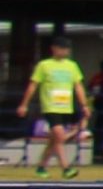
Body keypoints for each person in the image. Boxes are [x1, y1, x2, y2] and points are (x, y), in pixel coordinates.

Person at [21, 36, 86, 177]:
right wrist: (24, 104)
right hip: (50, 106)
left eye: (66, 49)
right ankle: (66, 168)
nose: (64, 51)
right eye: (61, 48)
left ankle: (41, 167)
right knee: (59, 135)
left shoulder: (72, 66)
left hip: (65, 107)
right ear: (54, 48)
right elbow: (33, 85)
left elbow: (78, 86)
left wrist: (84, 105)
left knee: (55, 139)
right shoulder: (44, 65)